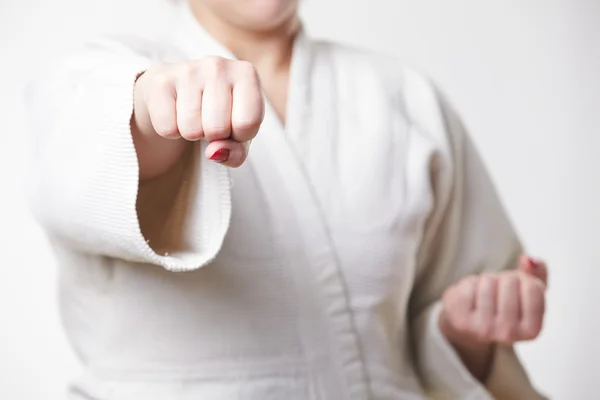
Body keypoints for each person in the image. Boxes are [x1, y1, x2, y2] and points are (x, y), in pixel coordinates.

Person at [26, 0, 550, 399]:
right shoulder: (96, 78)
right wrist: (155, 104)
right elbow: (95, 155)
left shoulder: (403, 96)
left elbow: (440, 326)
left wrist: (465, 333)